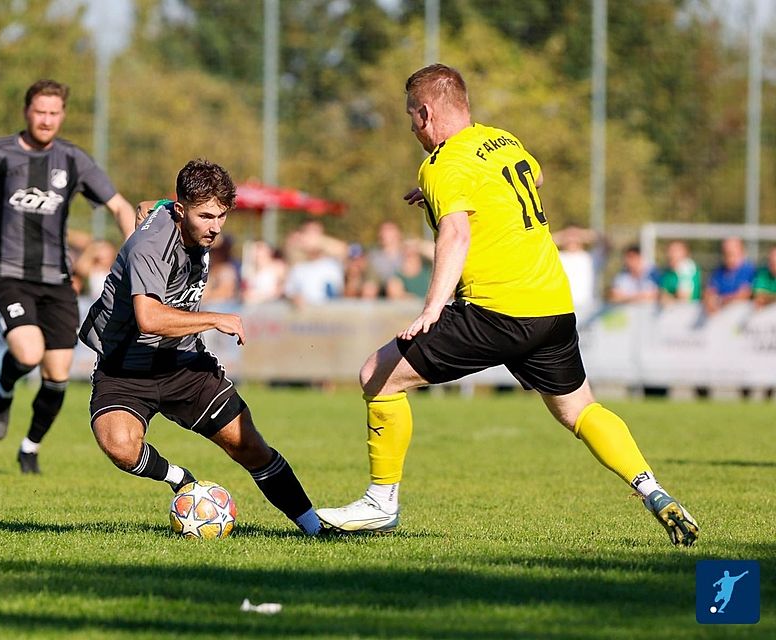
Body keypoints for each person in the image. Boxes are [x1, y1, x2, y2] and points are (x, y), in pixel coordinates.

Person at [316, 64, 698, 548]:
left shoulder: (441, 163)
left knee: (378, 374)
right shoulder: (503, 141)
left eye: (412, 117)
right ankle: (654, 491)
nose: (413, 127)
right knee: (580, 409)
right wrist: (446, 196)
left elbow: (456, 231)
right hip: (553, 307)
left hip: (496, 309)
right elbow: (530, 181)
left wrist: (433, 306)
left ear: (427, 113)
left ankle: (381, 502)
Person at [78, 159, 321, 535]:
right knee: (120, 447)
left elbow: (152, 206)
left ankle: (315, 528)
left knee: (249, 447)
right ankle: (181, 479)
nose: (215, 227)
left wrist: (154, 205)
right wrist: (214, 318)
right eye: (206, 216)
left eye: (222, 216)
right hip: (125, 365)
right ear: (181, 210)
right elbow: (149, 318)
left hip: (182, 363)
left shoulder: (178, 216)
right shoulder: (150, 246)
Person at [0, 79, 137, 474]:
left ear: (62, 115)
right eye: (39, 111)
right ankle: (4, 387)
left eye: (54, 113)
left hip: (57, 279)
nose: (46, 120)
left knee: (58, 374)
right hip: (6, 272)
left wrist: (137, 249)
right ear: (26, 112)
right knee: (28, 353)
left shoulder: (72, 159)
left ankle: (29, 447)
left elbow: (117, 204)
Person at [703, 237, 755, 314]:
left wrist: (722, 301)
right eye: (724, 252)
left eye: (731, 252)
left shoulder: (749, 270)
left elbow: (745, 293)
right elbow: (709, 291)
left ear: (741, 251)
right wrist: (709, 301)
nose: (728, 255)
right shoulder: (718, 271)